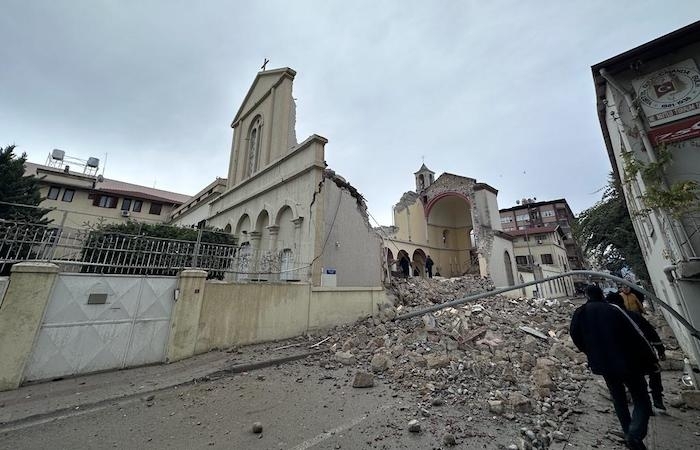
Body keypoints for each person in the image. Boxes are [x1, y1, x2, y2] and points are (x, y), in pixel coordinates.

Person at [570, 285, 658, 450]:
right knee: (641, 399)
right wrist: (651, 358)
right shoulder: (614, 310)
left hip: (603, 364)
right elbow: (636, 334)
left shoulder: (580, 313)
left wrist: (590, 352)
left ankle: (628, 434)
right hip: (628, 362)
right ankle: (635, 434)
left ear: (587, 296)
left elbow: (575, 335)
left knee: (619, 400)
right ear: (601, 295)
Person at [606, 292, 667, 414]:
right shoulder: (633, 316)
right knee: (654, 373)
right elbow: (651, 332)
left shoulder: (610, 321)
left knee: (638, 381)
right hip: (644, 354)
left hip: (626, 358)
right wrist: (660, 350)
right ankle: (657, 400)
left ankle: (647, 405)